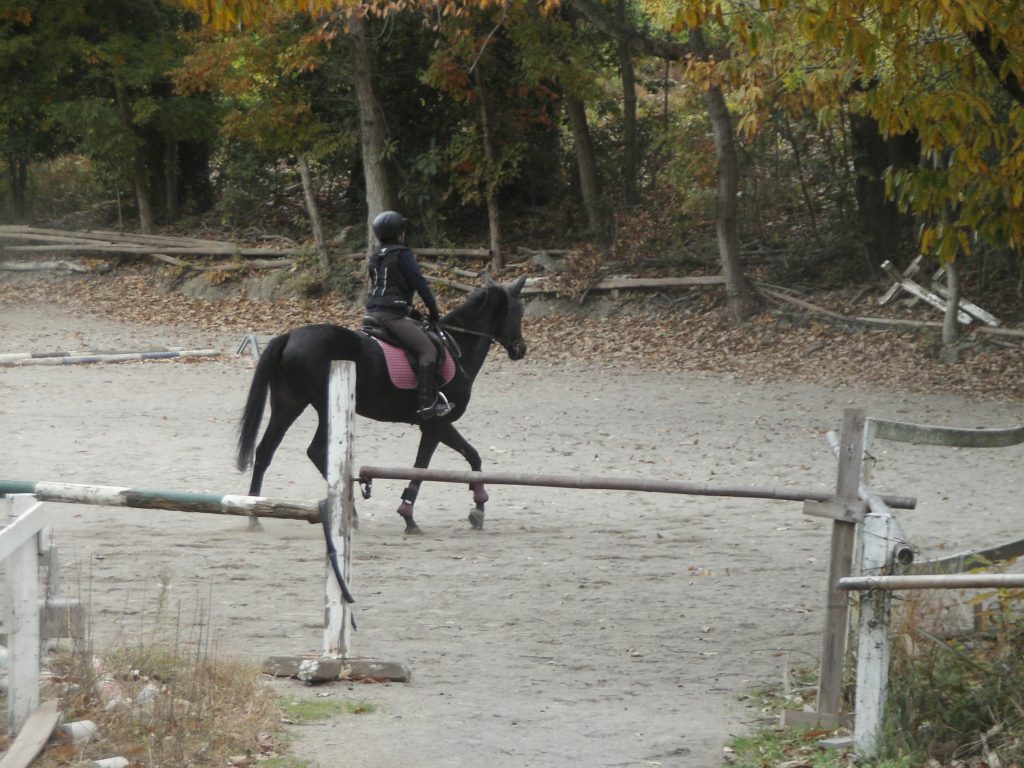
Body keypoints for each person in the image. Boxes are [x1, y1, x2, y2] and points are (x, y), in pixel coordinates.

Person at [366, 210, 452, 420]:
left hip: (372, 312)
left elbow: (387, 289)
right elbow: (420, 284)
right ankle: (427, 403)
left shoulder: (375, 255)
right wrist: (434, 311)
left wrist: (411, 310)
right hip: (391, 317)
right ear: (399, 233)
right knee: (428, 350)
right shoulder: (403, 254)